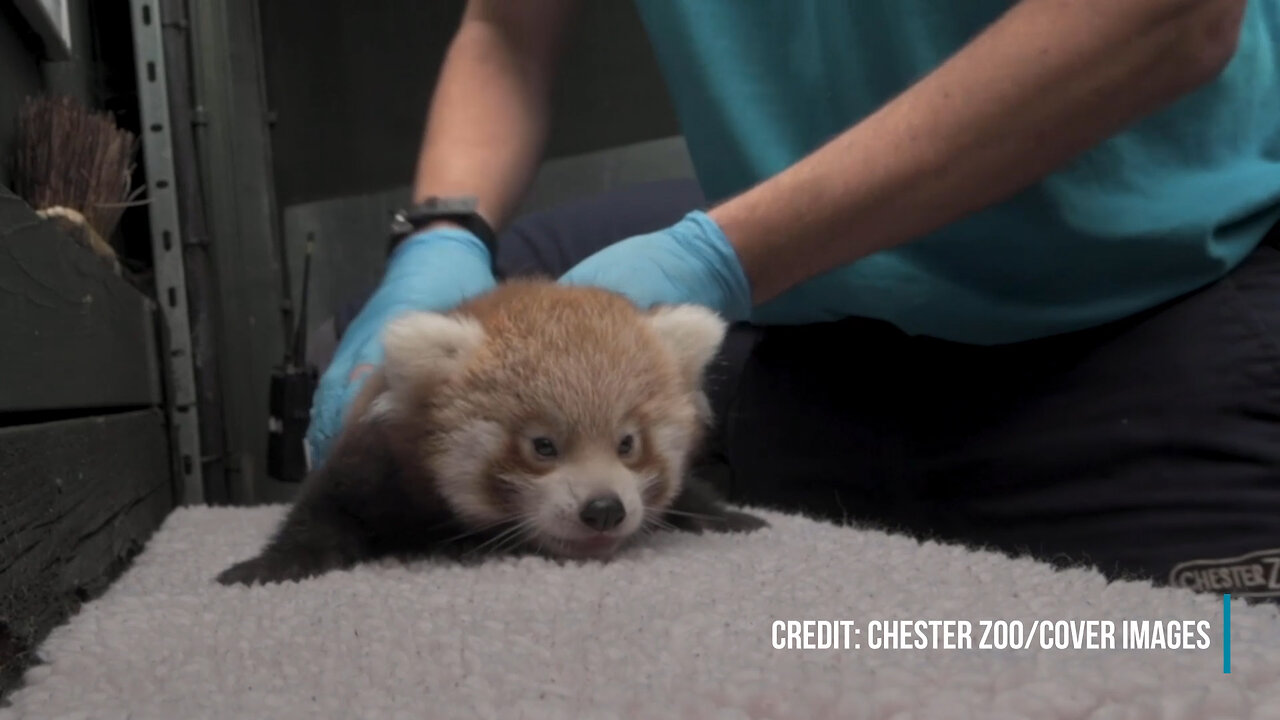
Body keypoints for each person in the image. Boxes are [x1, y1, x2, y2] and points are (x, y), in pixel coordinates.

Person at [307, 0, 1280, 600]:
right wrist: (442, 232)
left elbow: (1172, 14)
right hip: (814, 370)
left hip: (1143, 340)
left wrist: (725, 254)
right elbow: (504, 33)